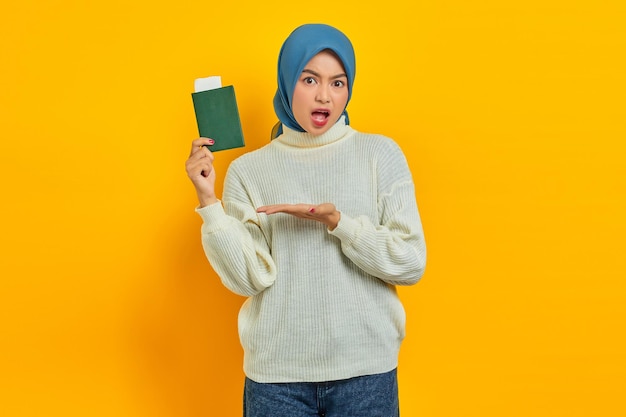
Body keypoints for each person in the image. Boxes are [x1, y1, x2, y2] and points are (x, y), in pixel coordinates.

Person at [185, 23, 426, 417]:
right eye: (309, 79)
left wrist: (340, 224)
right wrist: (209, 201)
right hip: (277, 382)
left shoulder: (380, 155)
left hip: (367, 376)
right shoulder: (249, 170)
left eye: (337, 82)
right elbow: (249, 279)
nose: (323, 96)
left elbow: (410, 263)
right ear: (286, 80)